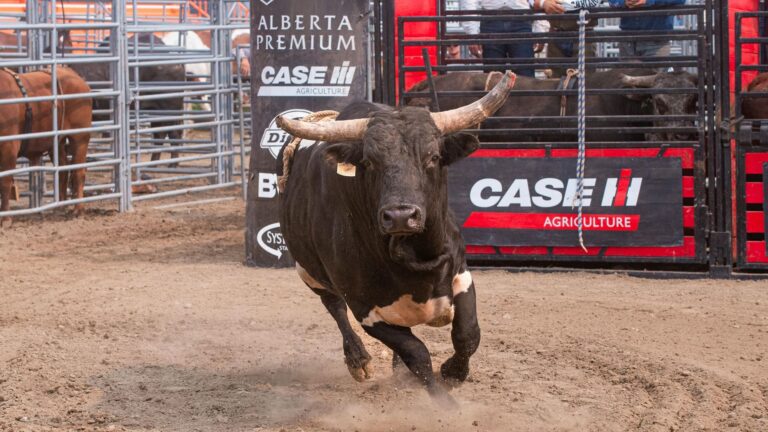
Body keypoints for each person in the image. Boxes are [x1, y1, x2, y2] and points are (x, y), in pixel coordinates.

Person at [459, 0, 550, 77]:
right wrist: (472, 34)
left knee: (524, 75)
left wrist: (540, 31)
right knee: (494, 78)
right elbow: (468, 2)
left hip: (517, 20)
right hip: (494, 20)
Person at [532, 0, 600, 78]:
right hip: (558, 33)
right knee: (555, 80)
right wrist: (543, 3)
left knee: (584, 79)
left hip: (583, 34)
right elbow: (533, 2)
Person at [608, 0, 686, 59]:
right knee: (654, 77)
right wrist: (623, 2)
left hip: (655, 40)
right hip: (630, 41)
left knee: (653, 77)